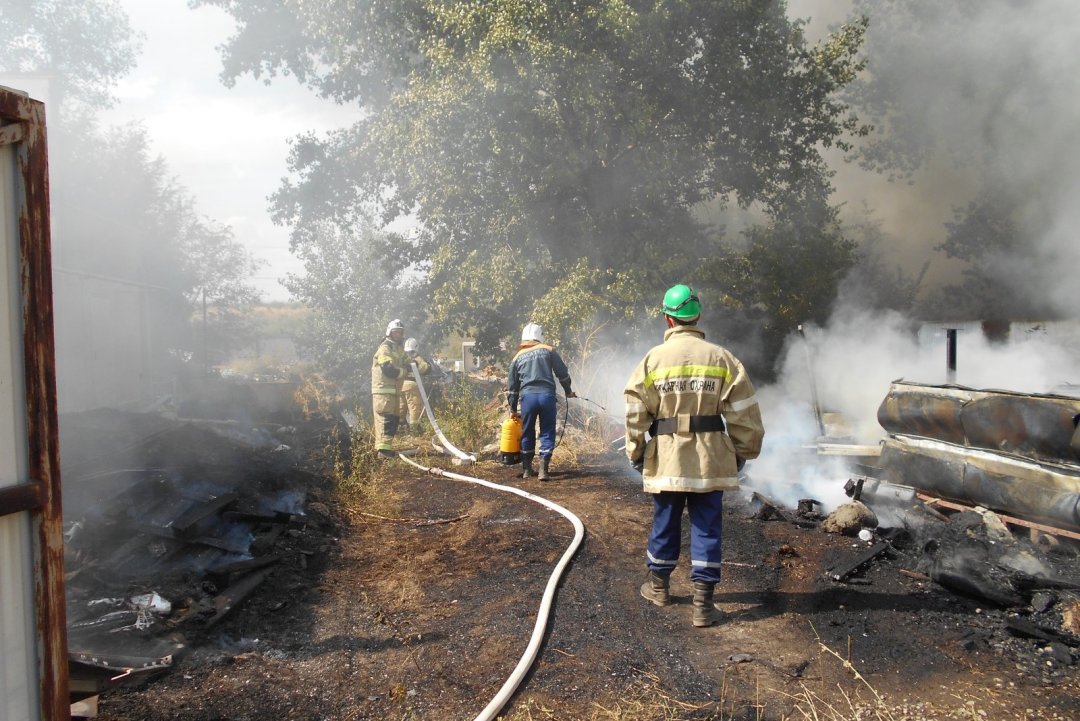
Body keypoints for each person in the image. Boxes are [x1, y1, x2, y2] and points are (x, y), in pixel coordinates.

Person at [623, 285, 764, 627]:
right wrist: (743, 453)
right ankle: (703, 605)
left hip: (668, 459)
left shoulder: (652, 360)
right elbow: (744, 414)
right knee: (707, 527)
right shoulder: (722, 359)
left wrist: (637, 452)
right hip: (710, 459)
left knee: (665, 522)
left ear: (668, 318)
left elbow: (634, 413)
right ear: (697, 316)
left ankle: (659, 589)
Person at [506, 322, 575, 480]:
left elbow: (512, 387)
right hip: (546, 397)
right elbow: (562, 373)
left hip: (528, 398)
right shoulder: (549, 350)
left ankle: (527, 470)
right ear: (540, 337)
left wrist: (512, 409)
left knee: (527, 430)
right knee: (547, 431)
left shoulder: (517, 357)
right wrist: (568, 391)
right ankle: (543, 469)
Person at [371, 319, 410, 458]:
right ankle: (383, 452)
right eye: (396, 332)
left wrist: (424, 367)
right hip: (383, 391)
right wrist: (404, 371)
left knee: (393, 419)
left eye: (400, 333)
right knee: (386, 419)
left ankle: (386, 449)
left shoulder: (397, 349)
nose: (399, 335)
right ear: (390, 332)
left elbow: (409, 361)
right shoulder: (385, 348)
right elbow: (388, 370)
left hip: (393, 392)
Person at [398, 338, 432, 432]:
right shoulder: (417, 359)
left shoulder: (402, 358)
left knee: (401, 406)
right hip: (412, 386)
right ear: (416, 348)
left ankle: (401, 426)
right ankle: (415, 428)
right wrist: (429, 365)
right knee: (414, 407)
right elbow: (425, 369)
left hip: (400, 385)